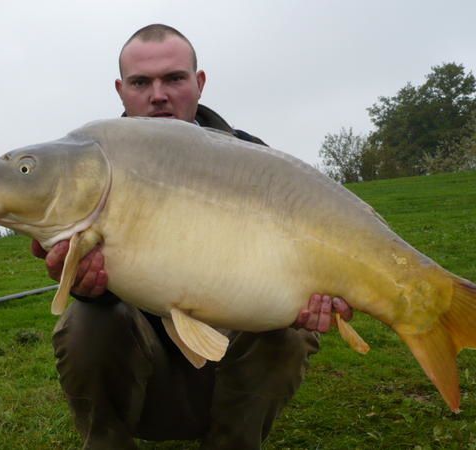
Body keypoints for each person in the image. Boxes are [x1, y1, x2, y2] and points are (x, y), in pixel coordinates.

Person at [32, 24, 353, 450]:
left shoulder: (251, 156)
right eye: (141, 82)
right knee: (86, 322)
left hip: (230, 360)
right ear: (121, 90)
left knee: (289, 333)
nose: (158, 94)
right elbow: (106, 297)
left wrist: (310, 296)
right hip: (148, 368)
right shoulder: (91, 167)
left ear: (199, 83)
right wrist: (89, 289)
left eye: (174, 79)